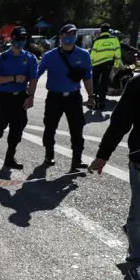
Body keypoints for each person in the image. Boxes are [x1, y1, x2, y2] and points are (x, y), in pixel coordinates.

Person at [89, 74, 140, 280]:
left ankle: (134, 234)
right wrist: (102, 156)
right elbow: (120, 123)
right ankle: (137, 259)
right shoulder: (138, 85)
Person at [37, 24, 95, 171]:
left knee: (77, 129)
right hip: (54, 98)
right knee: (50, 127)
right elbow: (36, 74)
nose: (70, 38)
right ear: (60, 37)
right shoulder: (50, 56)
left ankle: (76, 160)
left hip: (74, 98)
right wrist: (28, 90)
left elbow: (87, 78)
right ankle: (48, 155)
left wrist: (91, 96)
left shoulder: (84, 55)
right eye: (67, 35)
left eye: (73, 35)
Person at [0, 26, 39, 169]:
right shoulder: (1, 58)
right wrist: (13, 78)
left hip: (20, 98)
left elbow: (33, 79)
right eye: (19, 38)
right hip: (4, 97)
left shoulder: (30, 58)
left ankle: (9, 158)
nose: (21, 41)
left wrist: (31, 96)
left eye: (24, 39)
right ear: (12, 39)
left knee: (18, 128)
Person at [90, 23, 122, 110]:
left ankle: (94, 99)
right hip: (107, 64)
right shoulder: (115, 39)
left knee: (95, 82)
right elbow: (118, 53)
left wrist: (90, 64)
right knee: (104, 83)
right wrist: (116, 64)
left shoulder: (97, 40)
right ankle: (101, 101)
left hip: (96, 65)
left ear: (101, 31)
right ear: (108, 30)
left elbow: (92, 54)